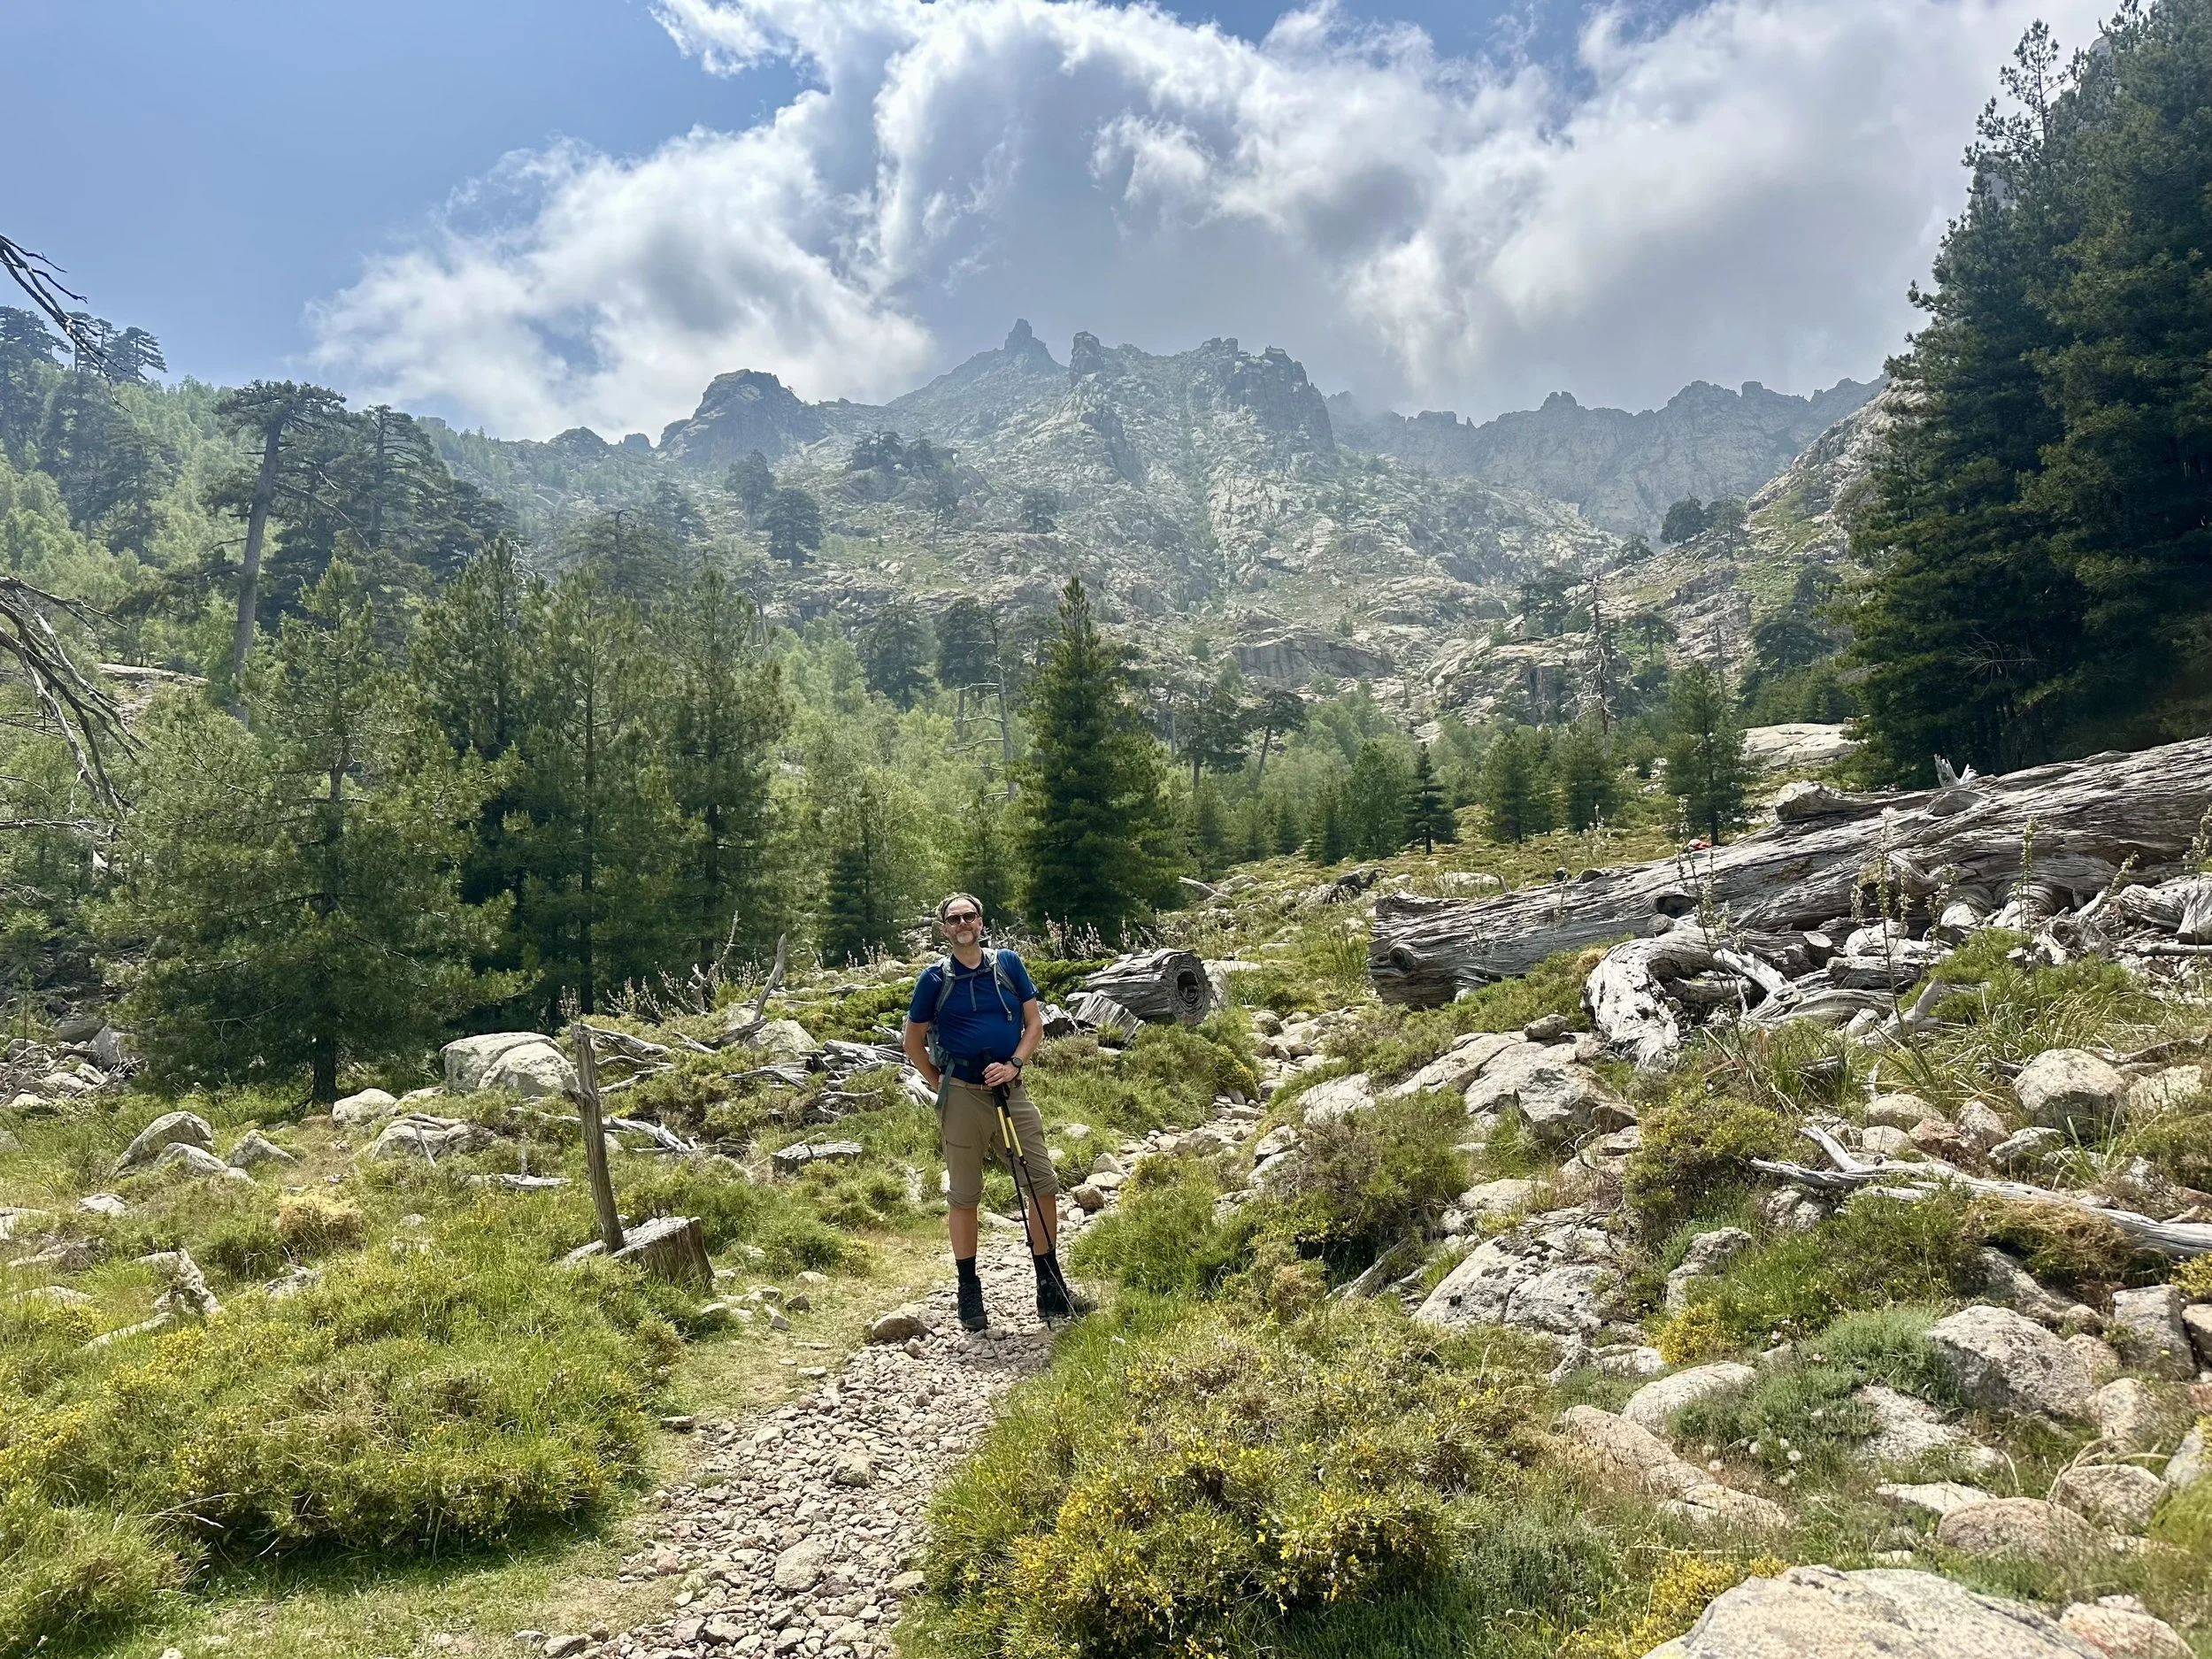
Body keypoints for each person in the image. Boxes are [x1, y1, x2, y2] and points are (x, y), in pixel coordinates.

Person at [902, 892, 1068, 1330]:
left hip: (1012, 1090)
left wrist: (1014, 1063)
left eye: (969, 916)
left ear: (981, 922)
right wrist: (941, 1084)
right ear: (944, 929)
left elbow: (1035, 1025)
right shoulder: (933, 980)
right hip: (962, 1096)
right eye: (954, 919)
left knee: (1041, 1183)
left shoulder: (1008, 964)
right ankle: (968, 1292)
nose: (962, 924)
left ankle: (1050, 1287)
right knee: (965, 1194)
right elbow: (912, 1041)